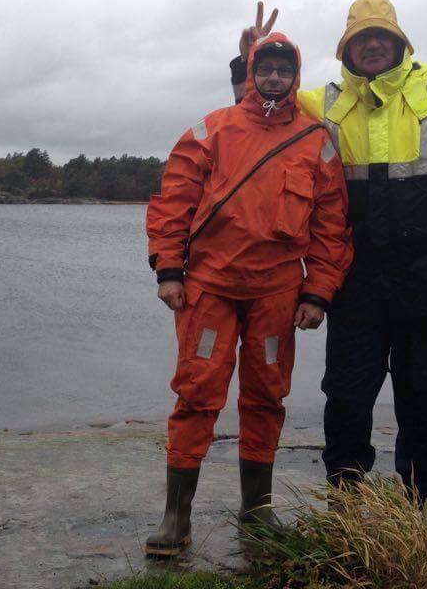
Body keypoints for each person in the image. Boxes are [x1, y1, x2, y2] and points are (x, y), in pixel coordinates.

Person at [230, 0, 427, 542]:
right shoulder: (322, 101)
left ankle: (418, 513)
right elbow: (261, 105)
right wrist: (249, 59)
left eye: (382, 36)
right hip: (354, 284)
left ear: (400, 42)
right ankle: (347, 510)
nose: (372, 45)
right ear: (347, 48)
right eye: (361, 38)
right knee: (347, 397)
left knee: (426, 400)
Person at [144, 31, 353, 556]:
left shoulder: (316, 140)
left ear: (295, 76)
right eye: (267, 69)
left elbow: (333, 227)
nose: (275, 78)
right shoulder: (212, 129)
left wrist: (319, 292)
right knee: (196, 394)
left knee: (266, 398)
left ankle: (256, 511)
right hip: (209, 289)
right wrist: (169, 269)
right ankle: (176, 518)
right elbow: (173, 202)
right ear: (252, 71)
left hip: (278, 295)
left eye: (285, 70)